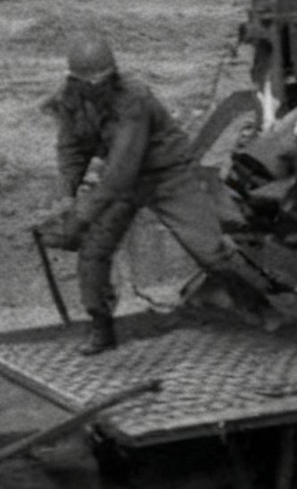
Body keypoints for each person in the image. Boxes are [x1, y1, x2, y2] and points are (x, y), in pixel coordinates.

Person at [41, 29, 240, 354]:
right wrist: (65, 199)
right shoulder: (69, 101)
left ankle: (260, 309)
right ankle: (101, 328)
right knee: (93, 252)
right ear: (75, 80)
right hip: (123, 183)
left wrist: (81, 216)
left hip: (168, 175)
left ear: (113, 74)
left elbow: (121, 171)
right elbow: (71, 151)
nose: (99, 88)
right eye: (91, 83)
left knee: (210, 251)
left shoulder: (134, 99)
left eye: (104, 80)